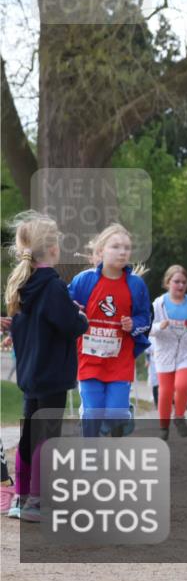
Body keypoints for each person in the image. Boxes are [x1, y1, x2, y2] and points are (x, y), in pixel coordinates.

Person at [5, 212, 88, 520]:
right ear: (52, 249)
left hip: (30, 374)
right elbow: (69, 325)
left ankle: (21, 497)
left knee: (28, 435)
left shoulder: (21, 285)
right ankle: (38, 501)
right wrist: (80, 317)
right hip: (52, 373)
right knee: (47, 436)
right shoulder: (52, 286)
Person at [69, 223, 151, 438]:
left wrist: (133, 324)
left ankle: (123, 415)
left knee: (115, 415)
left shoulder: (135, 285)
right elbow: (64, 307)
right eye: (115, 246)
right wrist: (74, 311)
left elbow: (146, 318)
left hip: (119, 359)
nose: (122, 251)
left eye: (127, 247)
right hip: (89, 358)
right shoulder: (84, 281)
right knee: (92, 412)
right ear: (100, 251)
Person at [149, 265, 187, 440]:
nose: (180, 285)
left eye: (184, 282)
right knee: (165, 391)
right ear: (168, 283)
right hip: (164, 352)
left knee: (183, 385)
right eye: (176, 282)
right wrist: (160, 326)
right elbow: (147, 328)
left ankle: (179, 416)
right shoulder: (158, 304)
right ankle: (163, 426)